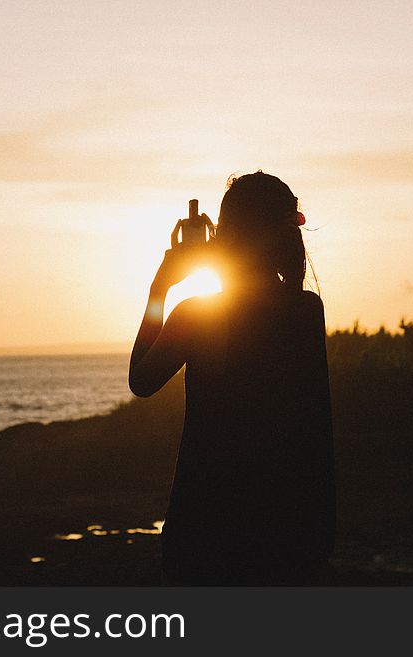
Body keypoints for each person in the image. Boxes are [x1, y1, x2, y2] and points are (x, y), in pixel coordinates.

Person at [129, 171, 335, 585]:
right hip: (286, 529)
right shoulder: (306, 311)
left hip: (204, 527)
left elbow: (141, 381)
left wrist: (160, 287)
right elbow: (316, 429)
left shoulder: (197, 314)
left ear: (228, 236)